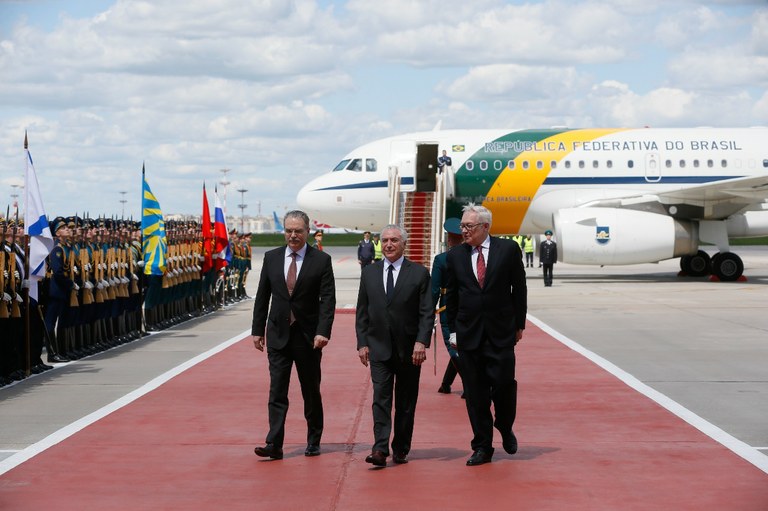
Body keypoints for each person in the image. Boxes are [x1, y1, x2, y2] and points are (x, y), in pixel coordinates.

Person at [251, 210, 336, 460]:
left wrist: (323, 331)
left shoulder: (321, 260)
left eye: (298, 231)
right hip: (278, 335)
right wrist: (257, 330)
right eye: (289, 230)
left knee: (310, 390)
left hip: (308, 338)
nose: (293, 235)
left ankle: (313, 440)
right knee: (277, 391)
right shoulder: (272, 258)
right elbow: (263, 296)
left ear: (307, 231)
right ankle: (274, 443)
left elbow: (328, 300)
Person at [446, 203, 527, 466]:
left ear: (485, 227)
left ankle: (504, 425)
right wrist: (453, 331)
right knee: (475, 393)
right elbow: (453, 296)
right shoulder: (456, 255)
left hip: (501, 333)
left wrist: (519, 324)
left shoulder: (508, 250)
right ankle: (482, 446)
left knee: (504, 385)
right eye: (462, 226)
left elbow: (519, 289)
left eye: (469, 226)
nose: (464, 231)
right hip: (469, 335)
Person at [356, 224, 433, 467]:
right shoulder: (369, 273)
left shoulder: (419, 273)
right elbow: (362, 312)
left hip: (410, 351)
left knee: (406, 402)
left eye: (394, 240)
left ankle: (400, 447)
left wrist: (422, 341)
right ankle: (380, 449)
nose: (389, 244)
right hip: (378, 348)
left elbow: (426, 312)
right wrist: (362, 343)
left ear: (404, 244)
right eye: (385, 240)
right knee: (381, 399)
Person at [431, 217, 464, 396]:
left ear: (449, 239)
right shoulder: (471, 256)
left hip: (447, 311)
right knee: (463, 346)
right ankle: (446, 384)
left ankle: (470, 383)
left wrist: (428, 314)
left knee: (454, 348)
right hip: (469, 310)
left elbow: (434, 290)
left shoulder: (442, 259)